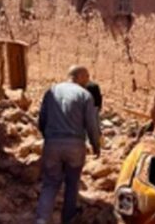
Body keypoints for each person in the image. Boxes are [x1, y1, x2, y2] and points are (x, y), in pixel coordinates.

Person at [36, 65, 101, 224]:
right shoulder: (85, 95)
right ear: (78, 76)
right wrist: (95, 145)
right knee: (72, 183)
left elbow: (42, 120)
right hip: (75, 146)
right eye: (86, 77)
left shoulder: (51, 92)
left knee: (50, 184)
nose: (88, 81)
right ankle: (68, 218)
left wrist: (49, 138)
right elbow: (92, 125)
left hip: (52, 144)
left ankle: (42, 220)